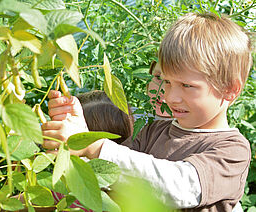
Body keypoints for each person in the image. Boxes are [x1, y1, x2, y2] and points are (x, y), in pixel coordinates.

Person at [42, 12, 252, 211]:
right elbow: (115, 176)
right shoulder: (153, 132)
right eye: (167, 82)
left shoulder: (232, 151)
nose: (170, 97)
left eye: (187, 86)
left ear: (230, 89)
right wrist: (79, 138)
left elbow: (176, 187)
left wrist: (95, 146)